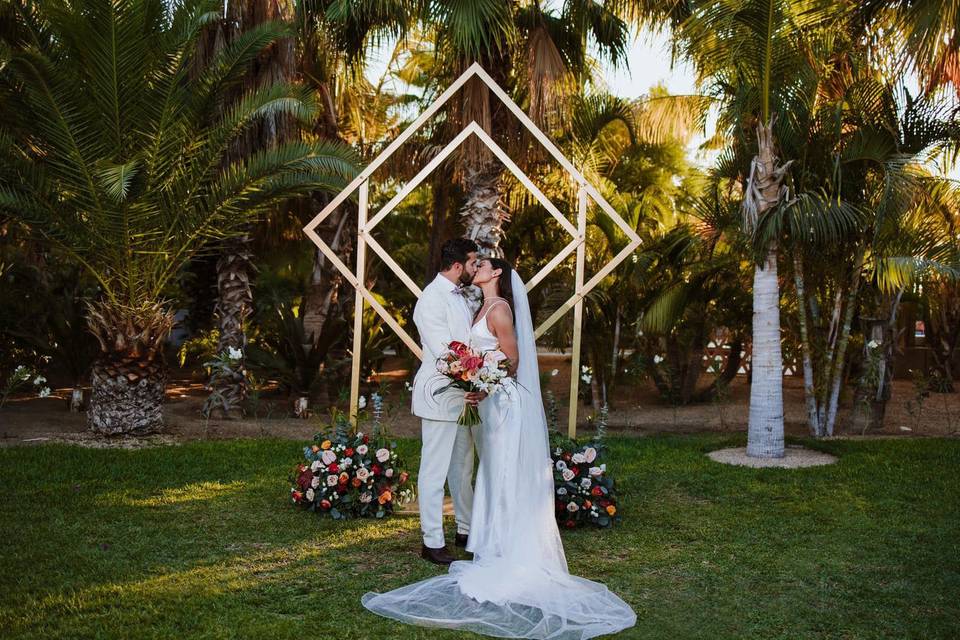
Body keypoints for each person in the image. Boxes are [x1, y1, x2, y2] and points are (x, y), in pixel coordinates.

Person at [362, 257, 637, 640]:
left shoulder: (501, 309)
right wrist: (474, 379)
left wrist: (485, 382)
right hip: (486, 403)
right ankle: (491, 540)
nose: (477, 267)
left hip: (502, 403)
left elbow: (513, 358)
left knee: (502, 469)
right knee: (489, 471)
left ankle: (509, 547)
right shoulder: (481, 305)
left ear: (496, 275)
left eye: (484, 265)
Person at [410, 238, 481, 565]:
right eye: (473, 262)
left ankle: (465, 529)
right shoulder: (430, 299)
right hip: (439, 394)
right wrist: (473, 376)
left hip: (463, 395)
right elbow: (445, 351)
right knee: (434, 469)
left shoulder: (459, 297)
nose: (476, 267)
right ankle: (432, 540)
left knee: (462, 466)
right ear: (458, 265)